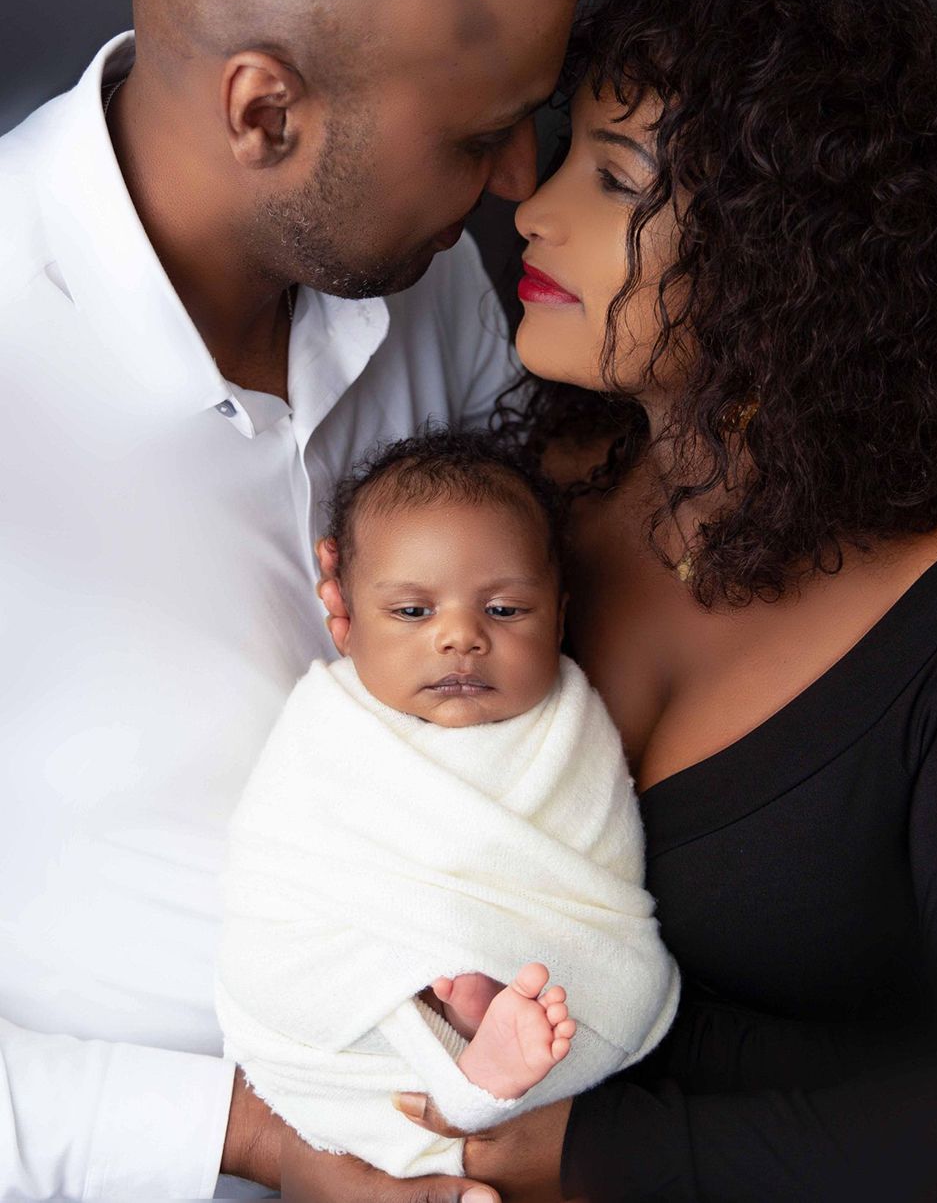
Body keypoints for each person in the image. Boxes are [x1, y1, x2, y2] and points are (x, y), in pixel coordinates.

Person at [314, 0, 937, 1201]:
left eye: (619, 182)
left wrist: (596, 1153)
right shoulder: (533, 490)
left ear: (794, 269)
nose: (533, 206)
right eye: (569, 153)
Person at [0, 0, 577, 1201]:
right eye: (474, 137)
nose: (518, 183)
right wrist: (249, 1139)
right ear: (265, 114)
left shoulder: (415, 272)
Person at [215, 430, 678, 1180]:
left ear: (558, 617)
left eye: (503, 609)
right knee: (290, 977)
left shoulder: (569, 728)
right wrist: (418, 965)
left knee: (597, 997)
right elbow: (277, 870)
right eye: (410, 612)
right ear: (345, 615)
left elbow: (599, 895)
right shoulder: (327, 721)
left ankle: (485, 1059)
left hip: (532, 1007)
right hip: (357, 1018)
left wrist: (489, 951)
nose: (461, 637)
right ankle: (466, 1060)